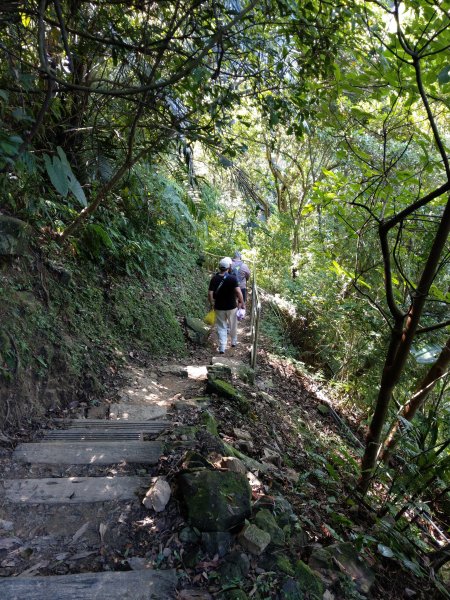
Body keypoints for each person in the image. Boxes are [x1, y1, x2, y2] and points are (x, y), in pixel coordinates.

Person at [208, 257, 244, 354]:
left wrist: (212, 303)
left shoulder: (214, 279)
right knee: (233, 325)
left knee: (221, 326)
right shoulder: (232, 278)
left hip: (219, 307)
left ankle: (222, 347)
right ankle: (233, 342)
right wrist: (242, 304)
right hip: (232, 307)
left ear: (219, 267)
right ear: (229, 267)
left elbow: (210, 293)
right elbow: (239, 293)